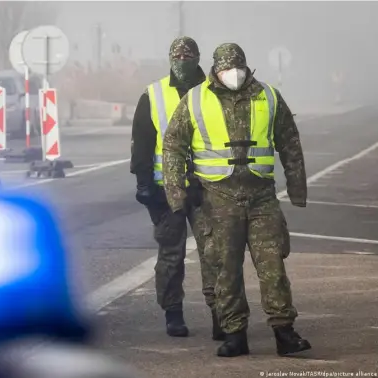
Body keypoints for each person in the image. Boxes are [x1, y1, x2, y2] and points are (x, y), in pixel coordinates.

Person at [162, 42, 312, 357]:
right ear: (216, 70)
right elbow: (174, 144)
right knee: (225, 269)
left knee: (273, 265)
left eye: (238, 68)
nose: (233, 74)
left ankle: (284, 331)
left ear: (247, 67)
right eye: (227, 68)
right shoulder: (196, 99)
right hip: (217, 198)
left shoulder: (268, 96)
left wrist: (297, 187)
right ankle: (234, 334)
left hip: (261, 197)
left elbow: (289, 140)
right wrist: (175, 191)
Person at [130, 36, 223, 340]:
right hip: (164, 191)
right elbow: (142, 143)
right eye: (177, 56)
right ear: (170, 59)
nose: (182, 61)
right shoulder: (154, 94)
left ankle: (222, 315)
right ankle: (174, 314)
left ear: (198, 58)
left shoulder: (215, 92)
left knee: (214, 254)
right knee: (172, 254)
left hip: (207, 188)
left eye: (188, 56)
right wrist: (144, 184)